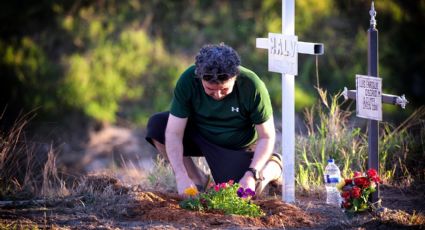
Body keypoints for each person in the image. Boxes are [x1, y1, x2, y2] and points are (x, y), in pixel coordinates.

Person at [145, 43, 282, 196]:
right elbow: (173, 133)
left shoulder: (252, 85)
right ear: (199, 76)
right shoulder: (188, 80)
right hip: (201, 133)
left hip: (236, 145)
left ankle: (273, 166)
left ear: (235, 77)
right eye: (210, 89)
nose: (217, 95)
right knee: (158, 126)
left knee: (241, 192)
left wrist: (251, 174)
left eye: (224, 89)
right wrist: (181, 176)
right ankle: (197, 179)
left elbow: (267, 136)